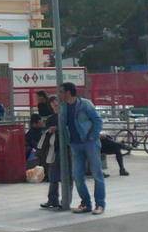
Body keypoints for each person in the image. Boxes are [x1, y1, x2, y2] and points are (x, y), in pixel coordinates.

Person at [61, 82, 105, 214]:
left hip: (89, 143)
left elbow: (98, 120)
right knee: (77, 175)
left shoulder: (85, 104)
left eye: (61, 92)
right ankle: (86, 203)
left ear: (68, 92)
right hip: (75, 144)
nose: (60, 94)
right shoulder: (63, 107)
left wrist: (92, 136)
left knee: (97, 173)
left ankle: (100, 204)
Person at [39, 94, 63, 210]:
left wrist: (57, 129)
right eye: (53, 104)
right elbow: (45, 132)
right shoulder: (51, 119)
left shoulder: (66, 116)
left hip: (66, 148)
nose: (55, 105)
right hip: (54, 149)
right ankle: (52, 200)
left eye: (56, 103)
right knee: (53, 175)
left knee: (65, 176)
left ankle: (64, 200)